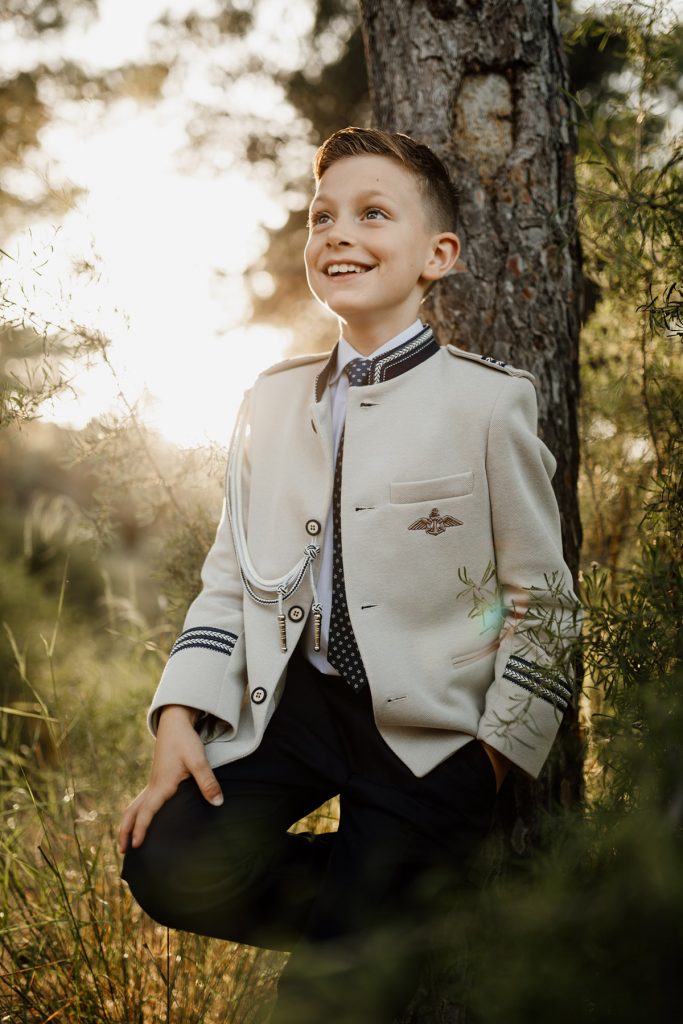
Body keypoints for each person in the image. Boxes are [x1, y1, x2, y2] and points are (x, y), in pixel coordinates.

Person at [119, 126, 580, 1022]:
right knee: (165, 864)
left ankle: (378, 914)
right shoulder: (268, 398)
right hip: (298, 705)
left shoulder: (489, 403)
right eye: (321, 216)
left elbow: (546, 605)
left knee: (326, 999)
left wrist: (490, 760)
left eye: (372, 214)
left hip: (433, 730)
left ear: (437, 255)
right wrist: (179, 714)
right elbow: (230, 576)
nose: (338, 233)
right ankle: (400, 907)